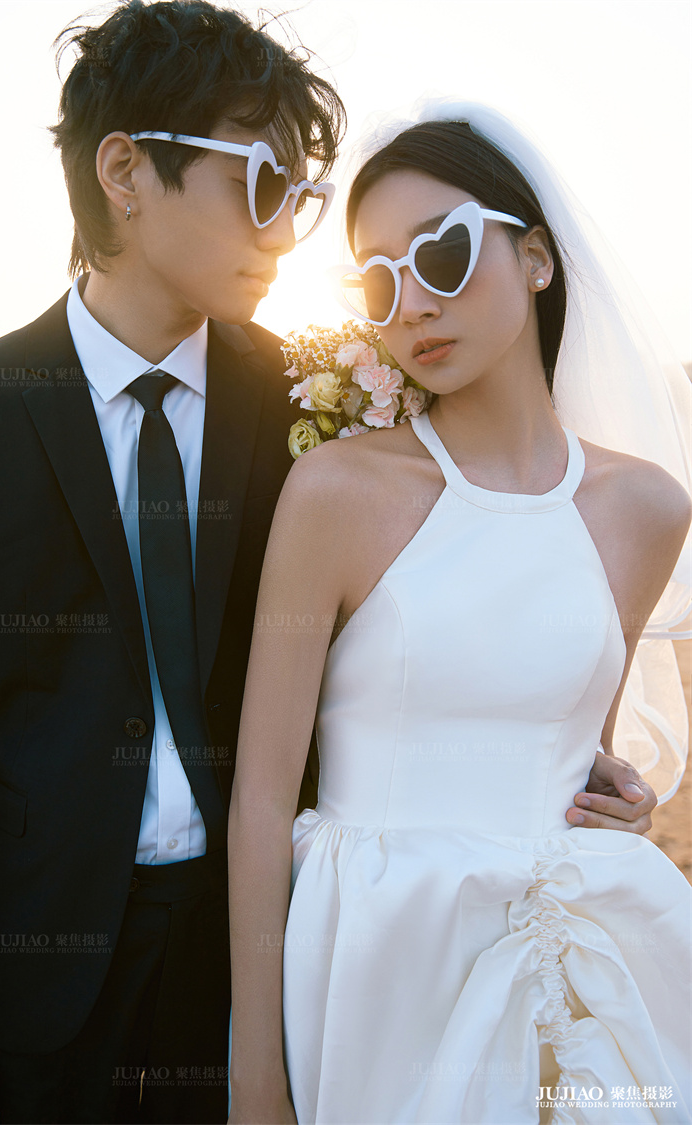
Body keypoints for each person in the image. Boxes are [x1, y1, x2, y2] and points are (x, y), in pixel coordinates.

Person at [226, 101, 691, 1124]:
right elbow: (260, 803)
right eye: (379, 280)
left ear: (537, 258)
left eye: (443, 254)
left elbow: (575, 745)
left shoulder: (648, 508)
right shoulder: (337, 494)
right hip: (384, 973)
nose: (412, 305)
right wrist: (254, 1085)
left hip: (589, 957)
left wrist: (619, 795)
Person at [0, 2, 344, 1122]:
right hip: (40, 980)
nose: (283, 232)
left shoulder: (307, 404)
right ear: (124, 169)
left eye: (300, 196)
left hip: (258, 959)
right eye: (258, 182)